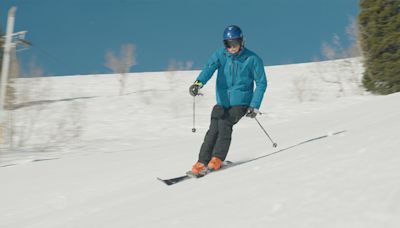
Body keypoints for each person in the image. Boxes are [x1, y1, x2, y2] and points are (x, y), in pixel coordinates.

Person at [189, 25, 267, 175]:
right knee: (214, 128)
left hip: (241, 102)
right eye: (228, 44)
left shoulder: (252, 59)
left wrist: (254, 105)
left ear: (242, 41)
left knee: (225, 123)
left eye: (235, 43)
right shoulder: (220, 55)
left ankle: (217, 158)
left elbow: (262, 83)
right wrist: (198, 83)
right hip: (222, 101)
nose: (232, 48)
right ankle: (202, 161)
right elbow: (208, 69)